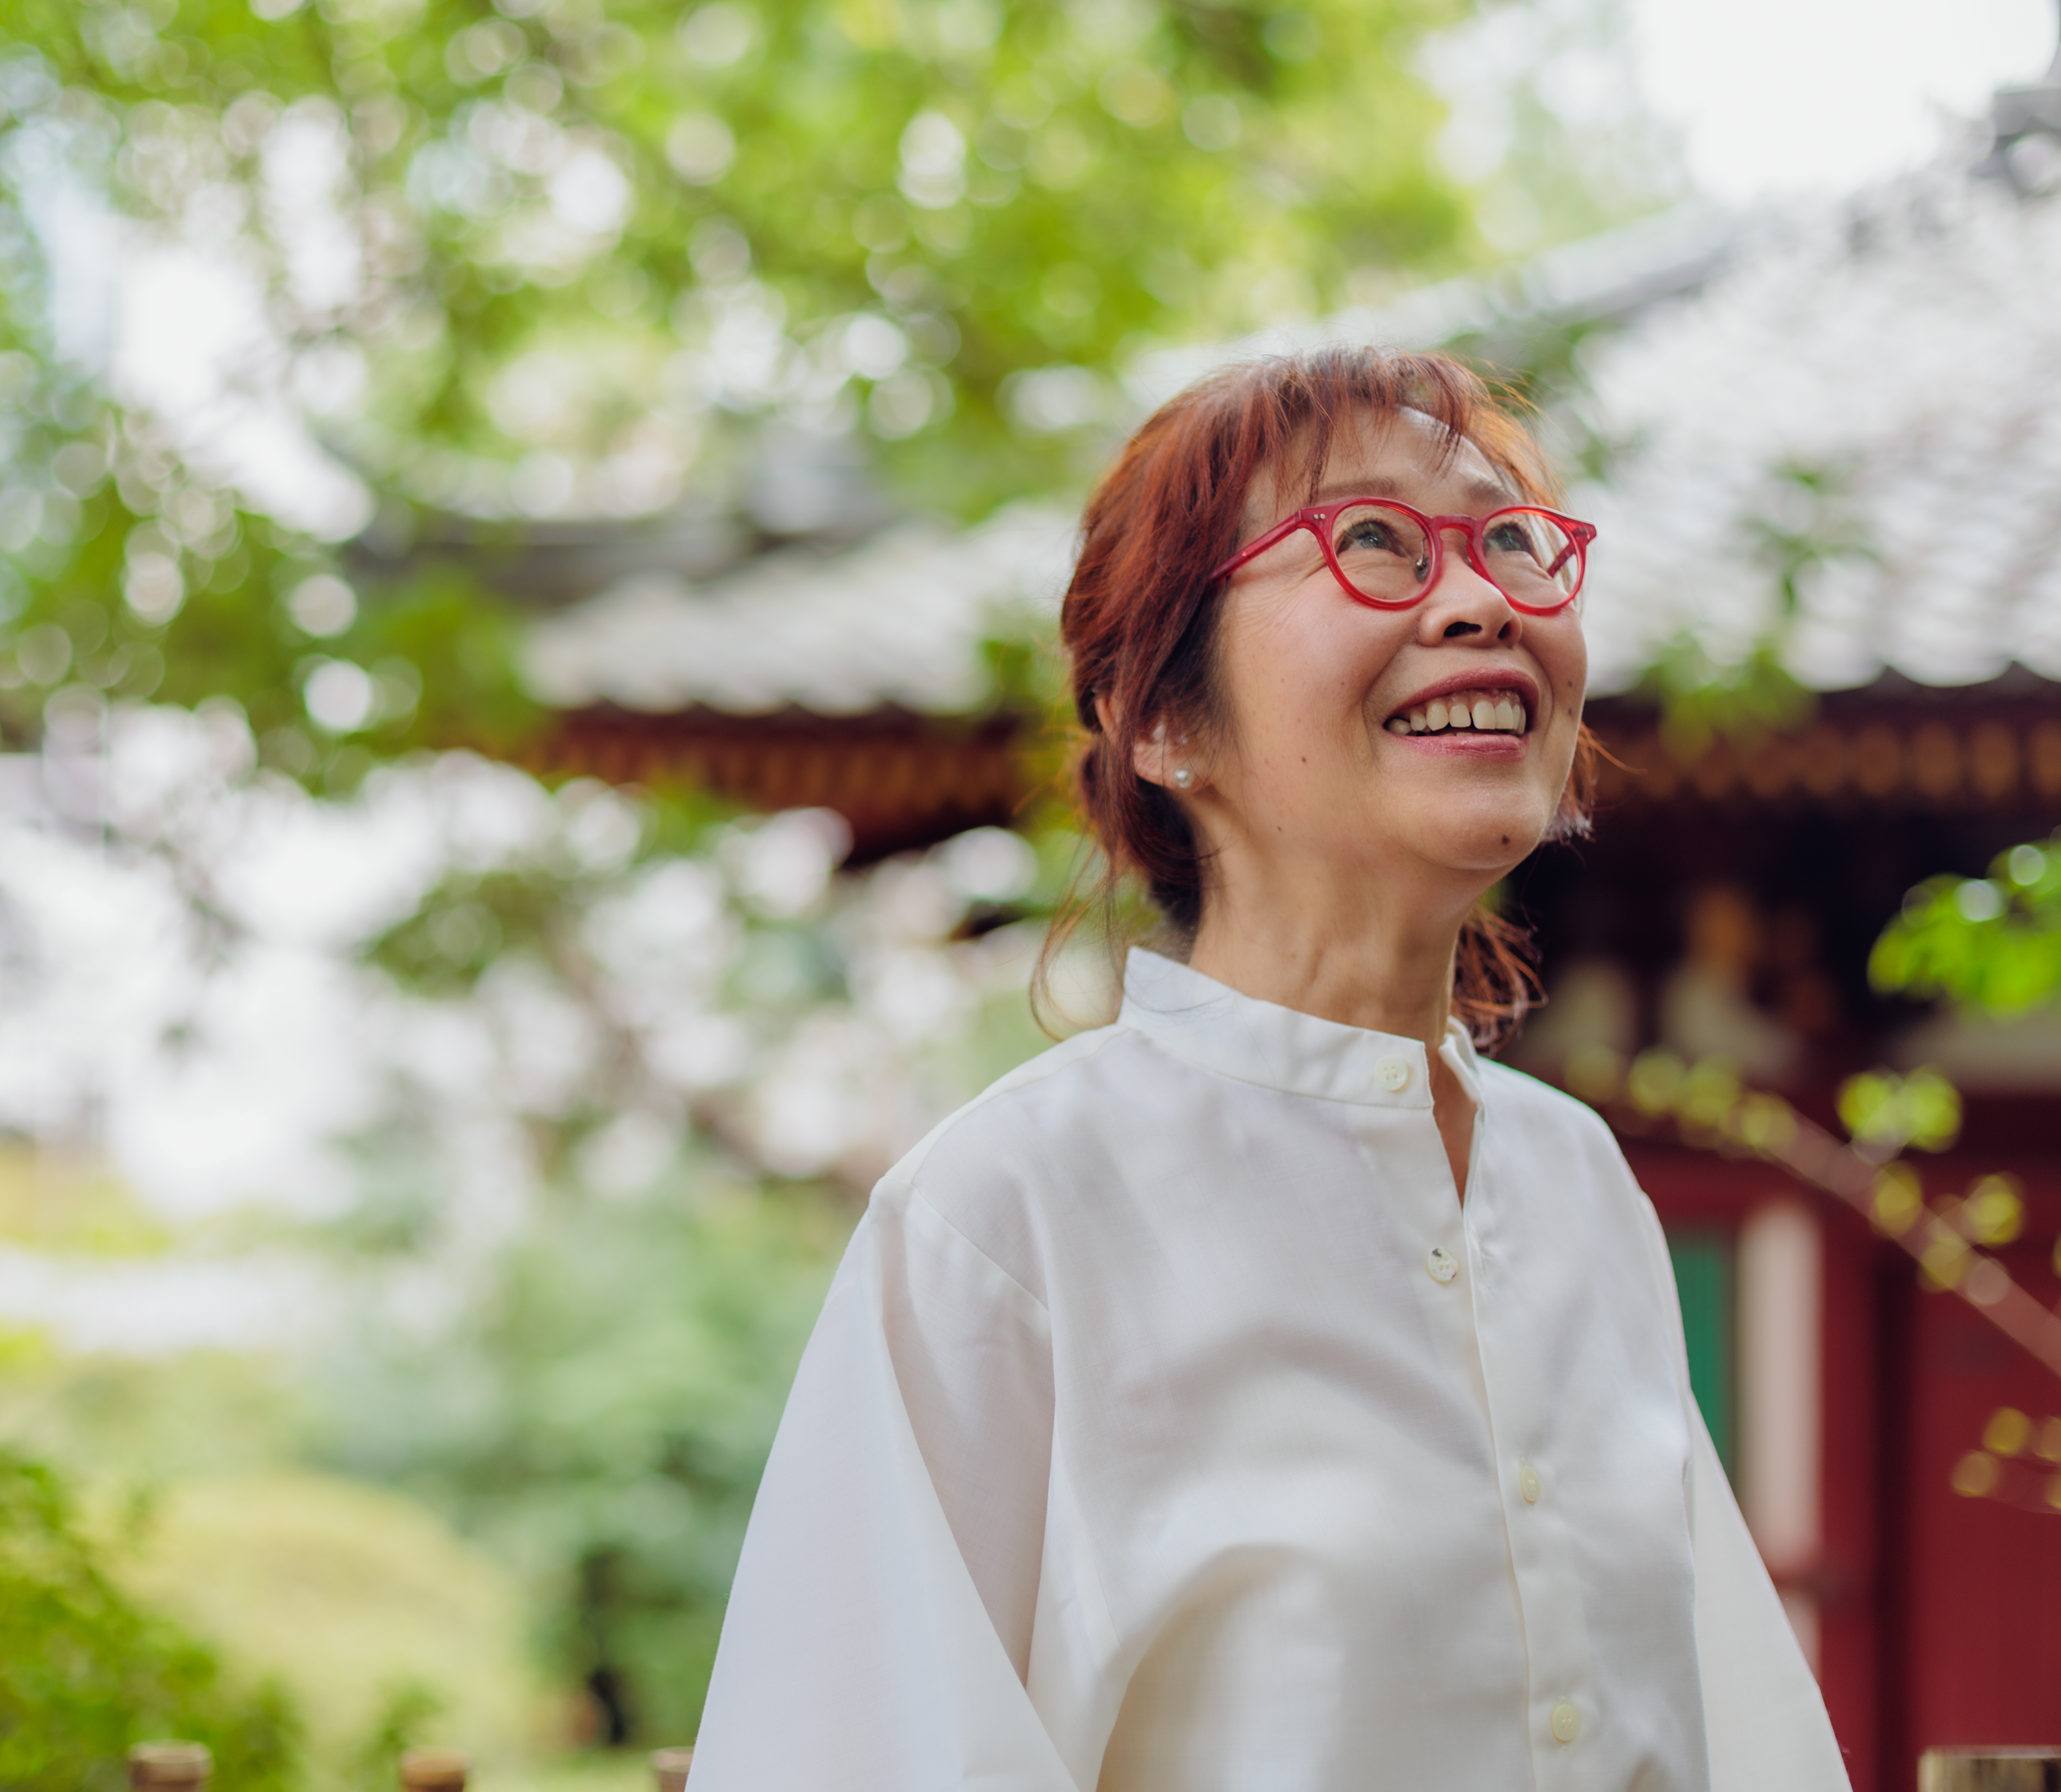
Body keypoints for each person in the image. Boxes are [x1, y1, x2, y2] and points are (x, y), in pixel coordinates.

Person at [687, 346, 1849, 1791]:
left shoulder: (1575, 1183)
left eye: (1506, 540)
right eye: (1370, 542)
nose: (1481, 596)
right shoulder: (1006, 1218)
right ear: (1160, 720)